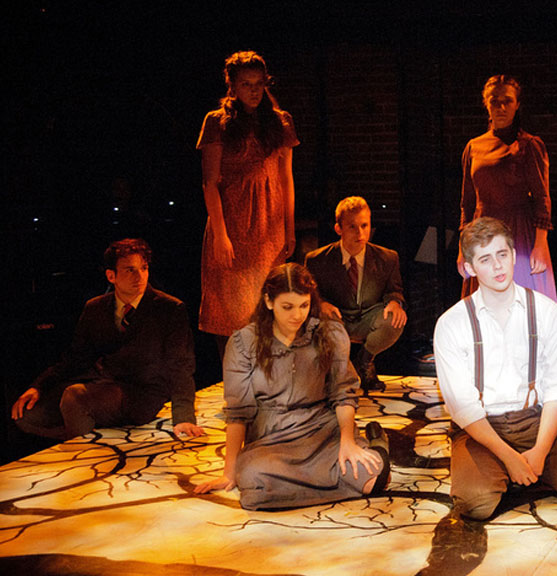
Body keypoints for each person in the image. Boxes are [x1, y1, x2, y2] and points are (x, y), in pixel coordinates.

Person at [434, 217, 557, 520]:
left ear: (513, 255)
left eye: (502, 254)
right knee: (475, 504)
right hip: (481, 430)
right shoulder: (452, 324)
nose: (497, 266)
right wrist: (509, 458)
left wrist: (541, 451)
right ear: (470, 267)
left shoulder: (548, 313)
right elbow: (463, 407)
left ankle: (530, 470)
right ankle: (509, 472)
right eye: (485, 259)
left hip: (535, 423)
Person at [194, 263, 390, 510]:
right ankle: (324, 482)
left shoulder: (328, 334)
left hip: (321, 432)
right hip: (271, 440)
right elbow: (238, 412)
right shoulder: (244, 343)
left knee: (371, 477)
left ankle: (378, 447)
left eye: (304, 306)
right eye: (287, 307)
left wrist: (348, 441)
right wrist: (229, 473)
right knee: (254, 484)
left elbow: (343, 393)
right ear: (269, 302)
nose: (297, 315)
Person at [11, 239, 202, 440]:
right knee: (26, 415)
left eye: (143, 268)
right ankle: (90, 436)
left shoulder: (169, 309)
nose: (139, 276)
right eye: (130, 270)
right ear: (111, 276)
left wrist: (184, 417)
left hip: (143, 393)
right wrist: (39, 386)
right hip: (103, 384)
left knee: (75, 398)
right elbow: (75, 359)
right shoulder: (95, 308)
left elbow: (180, 365)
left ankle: (85, 445)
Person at [197, 51, 299, 358]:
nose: (254, 90)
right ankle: (234, 377)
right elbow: (209, 183)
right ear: (232, 86)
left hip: (269, 225)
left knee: (266, 304)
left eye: (258, 83)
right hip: (232, 222)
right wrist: (220, 235)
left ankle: (268, 375)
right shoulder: (217, 122)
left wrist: (289, 229)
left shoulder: (280, 121)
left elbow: (286, 179)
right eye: (246, 84)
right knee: (229, 307)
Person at [457, 75, 557, 301]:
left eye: (507, 101)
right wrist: (463, 248)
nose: (501, 107)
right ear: (486, 104)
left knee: (520, 299)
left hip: (517, 233)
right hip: (481, 232)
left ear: (517, 104)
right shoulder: (473, 147)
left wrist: (541, 244)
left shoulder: (528, 145)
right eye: (494, 101)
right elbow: (467, 202)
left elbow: (542, 197)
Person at [305, 196, 406, 391]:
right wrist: (321, 304)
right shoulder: (317, 260)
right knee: (319, 321)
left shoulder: (387, 258)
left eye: (364, 225)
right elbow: (309, 294)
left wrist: (395, 302)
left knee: (395, 319)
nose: (360, 233)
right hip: (336, 318)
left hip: (368, 316)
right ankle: (337, 373)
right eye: (352, 227)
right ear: (338, 229)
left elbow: (394, 290)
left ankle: (364, 362)